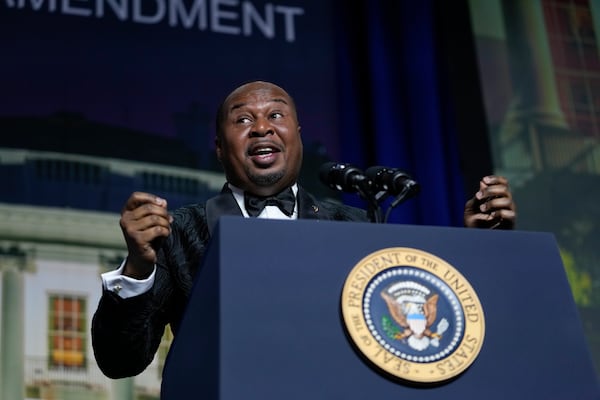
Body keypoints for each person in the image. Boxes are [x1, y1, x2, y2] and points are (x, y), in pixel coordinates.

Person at [91, 80, 516, 379]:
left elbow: (413, 333)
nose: (261, 126)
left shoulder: (357, 224)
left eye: (276, 114)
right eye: (243, 120)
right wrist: (136, 268)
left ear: (296, 134)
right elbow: (119, 362)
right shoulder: (181, 232)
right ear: (219, 148)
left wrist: (478, 249)